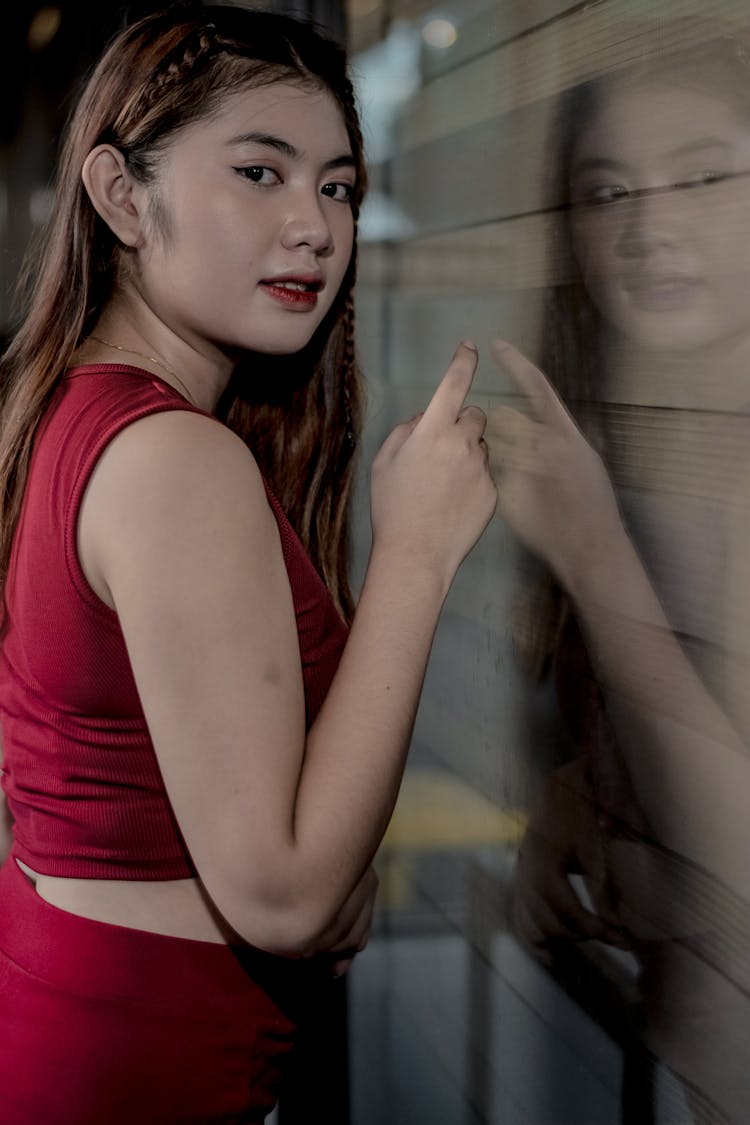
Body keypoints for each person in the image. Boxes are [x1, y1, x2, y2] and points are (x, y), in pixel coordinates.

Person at [0, 6, 497, 1123]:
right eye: (260, 172)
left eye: (337, 187)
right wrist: (417, 553)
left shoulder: (74, 411)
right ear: (123, 196)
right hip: (133, 1069)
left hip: (90, 1029)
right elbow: (283, 895)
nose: (314, 227)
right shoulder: (176, 457)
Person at [489, 32, 750, 1124]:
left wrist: (593, 558)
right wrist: (574, 801)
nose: (648, 228)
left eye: (702, 175)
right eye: (608, 191)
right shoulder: (645, 446)